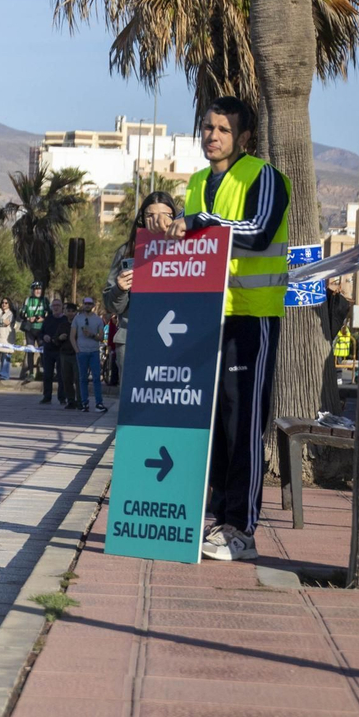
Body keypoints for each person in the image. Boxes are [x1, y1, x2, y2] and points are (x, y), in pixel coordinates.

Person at [170, 96, 290, 562]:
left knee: (244, 423)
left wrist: (201, 222)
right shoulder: (198, 182)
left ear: (243, 138)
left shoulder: (263, 176)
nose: (211, 136)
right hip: (206, 317)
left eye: (221, 128)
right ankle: (214, 515)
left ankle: (241, 528)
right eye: (206, 127)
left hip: (251, 316)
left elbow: (259, 231)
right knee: (213, 420)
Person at [101, 191, 180, 353]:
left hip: (174, 336)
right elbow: (111, 305)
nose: (158, 220)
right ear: (142, 218)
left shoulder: (186, 248)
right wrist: (119, 289)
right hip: (132, 339)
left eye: (165, 214)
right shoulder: (127, 251)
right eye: (150, 215)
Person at [71, 295, 106, 412]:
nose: (87, 305)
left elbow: (101, 337)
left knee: (96, 378)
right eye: (85, 303)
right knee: (82, 378)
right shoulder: (77, 319)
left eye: (90, 304)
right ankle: (84, 403)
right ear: (83, 304)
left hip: (94, 352)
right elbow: (72, 336)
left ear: (93, 305)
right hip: (82, 352)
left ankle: (99, 404)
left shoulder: (98, 320)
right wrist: (77, 350)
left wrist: (92, 334)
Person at [38, 297, 69, 405]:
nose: (56, 308)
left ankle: (62, 397)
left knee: (61, 375)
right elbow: (41, 333)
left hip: (61, 350)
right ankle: (47, 397)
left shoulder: (65, 320)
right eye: (54, 306)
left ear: (62, 308)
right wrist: (44, 336)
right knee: (47, 375)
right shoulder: (48, 319)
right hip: (48, 350)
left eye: (58, 305)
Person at [19, 283, 47, 381]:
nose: (37, 291)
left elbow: (49, 312)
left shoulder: (45, 300)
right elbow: (21, 313)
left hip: (41, 329)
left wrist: (43, 318)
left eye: (39, 289)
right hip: (30, 329)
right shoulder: (28, 300)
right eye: (35, 289)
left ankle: (45, 372)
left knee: (43, 351)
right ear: (32, 290)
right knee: (30, 351)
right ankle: (31, 373)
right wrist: (28, 317)